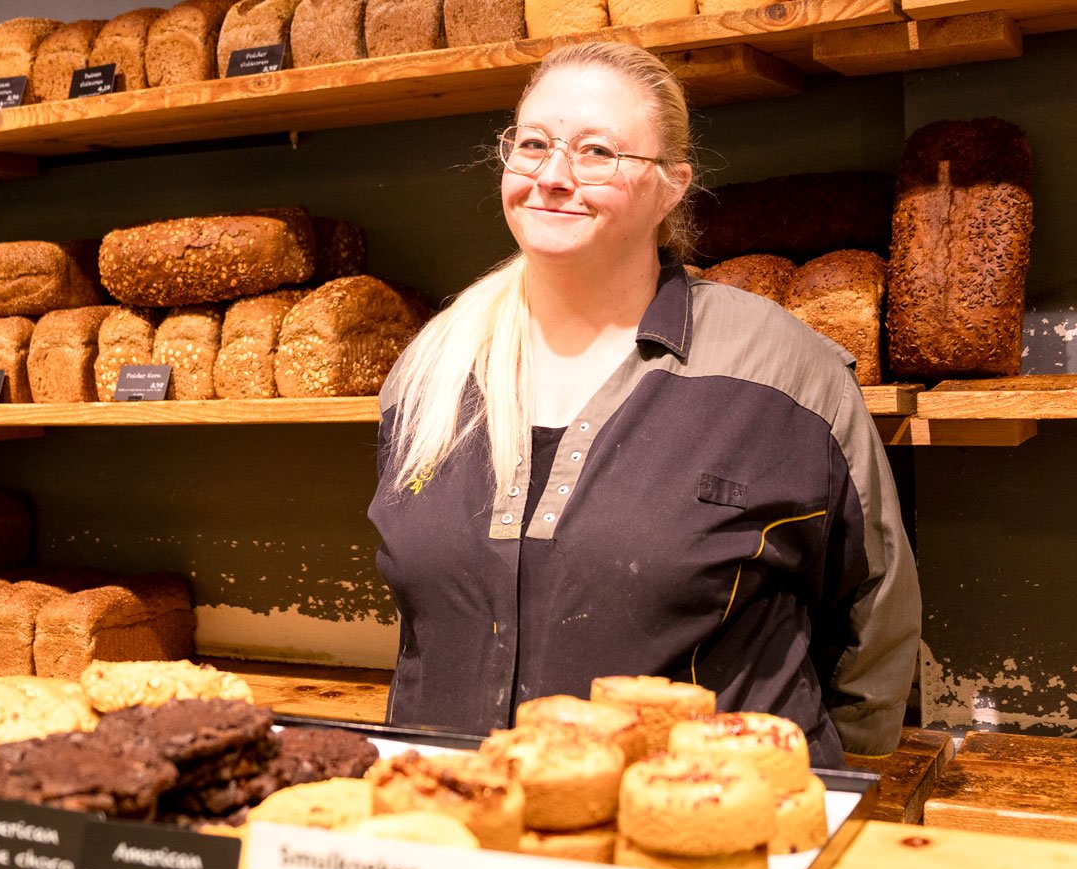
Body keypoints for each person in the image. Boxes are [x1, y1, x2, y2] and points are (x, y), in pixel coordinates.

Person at [369, 42, 920, 767]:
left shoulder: (784, 375)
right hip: (456, 822)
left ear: (671, 187)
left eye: (598, 152)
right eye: (532, 145)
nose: (554, 176)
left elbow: (871, 617)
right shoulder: (431, 370)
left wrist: (810, 791)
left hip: (698, 827)